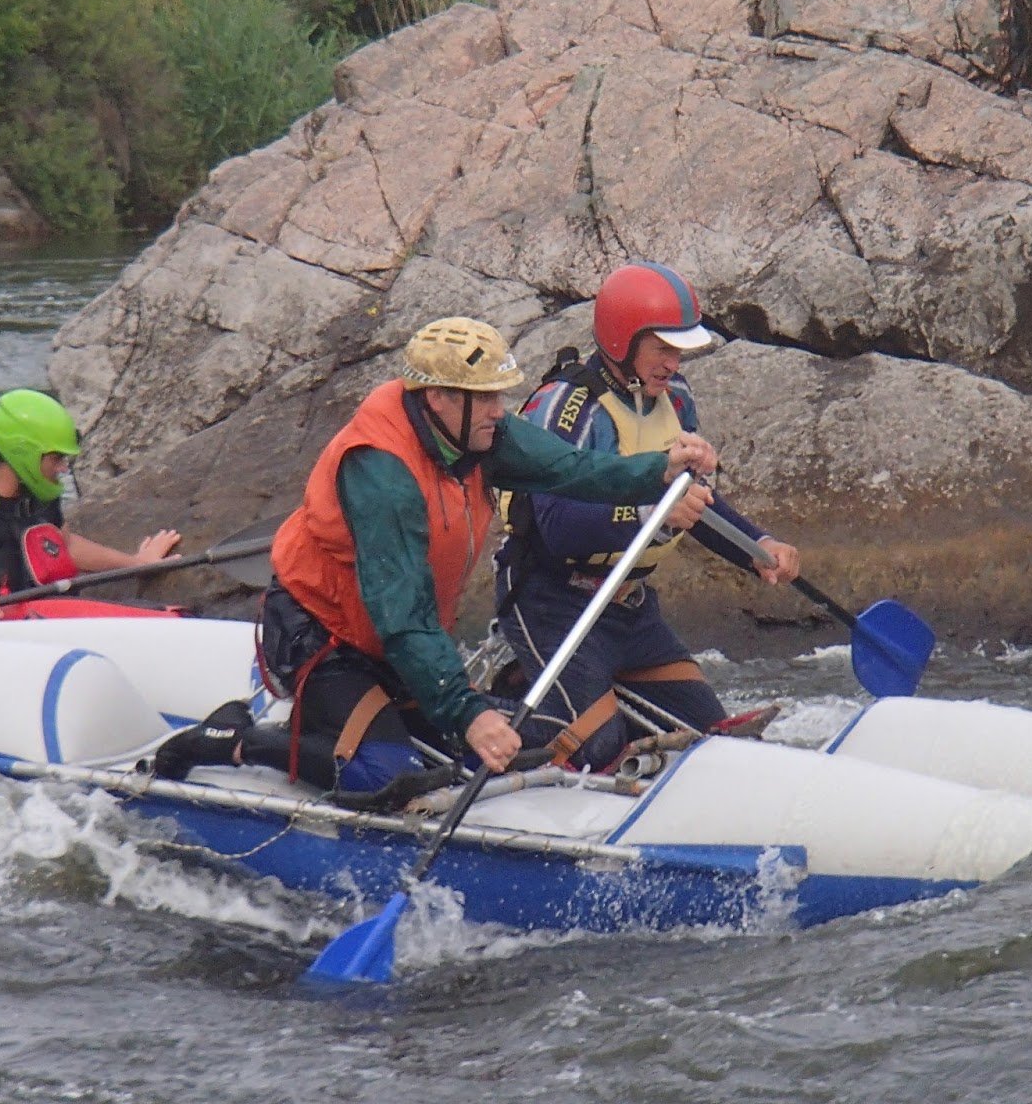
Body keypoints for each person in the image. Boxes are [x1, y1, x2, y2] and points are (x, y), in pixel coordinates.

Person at [152, 317, 718, 798]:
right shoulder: (382, 473)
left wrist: (657, 470)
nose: (501, 410)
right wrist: (466, 712)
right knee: (381, 772)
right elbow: (405, 618)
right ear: (439, 397)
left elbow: (572, 469)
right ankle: (231, 739)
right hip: (321, 638)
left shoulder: (477, 432)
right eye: (488, 397)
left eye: (501, 395)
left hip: (396, 637)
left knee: (512, 749)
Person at [493, 261, 802, 771]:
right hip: (552, 600)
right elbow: (556, 525)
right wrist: (653, 515)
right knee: (593, 749)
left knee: (708, 736)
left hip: (629, 608)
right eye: (663, 347)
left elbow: (692, 500)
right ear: (622, 339)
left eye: (679, 349)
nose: (673, 362)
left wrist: (757, 544)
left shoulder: (675, 399)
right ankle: (518, 698)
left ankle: (598, 710)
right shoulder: (568, 407)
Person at [0, 389, 181, 618]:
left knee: (167, 613)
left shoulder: (39, 496)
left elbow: (66, 546)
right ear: (23, 453)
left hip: (38, 620)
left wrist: (139, 564)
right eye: (55, 458)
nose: (63, 468)